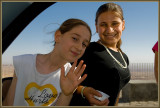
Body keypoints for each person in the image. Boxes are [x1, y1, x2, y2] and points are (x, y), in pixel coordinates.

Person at [2, 18, 92, 106]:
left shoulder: (72, 75)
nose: (79, 48)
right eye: (75, 38)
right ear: (58, 36)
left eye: (84, 44)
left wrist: (67, 94)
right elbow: (8, 103)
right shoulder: (24, 62)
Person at [70, 2, 131, 106]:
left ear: (123, 25)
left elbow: (116, 90)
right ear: (96, 27)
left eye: (115, 23)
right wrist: (83, 90)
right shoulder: (87, 50)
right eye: (103, 24)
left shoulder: (123, 57)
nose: (109, 30)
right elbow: (60, 79)